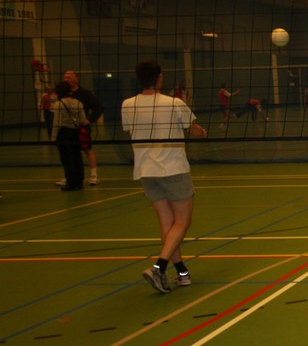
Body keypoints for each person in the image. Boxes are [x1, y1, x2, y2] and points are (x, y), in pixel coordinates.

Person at [120, 60, 207, 294]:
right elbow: (195, 131)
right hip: (172, 168)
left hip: (146, 170)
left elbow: (131, 129)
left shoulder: (127, 105)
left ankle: (182, 273)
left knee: (166, 223)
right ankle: (159, 267)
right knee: (182, 222)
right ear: (160, 77)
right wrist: (202, 131)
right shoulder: (174, 103)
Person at [63, 70, 104, 185]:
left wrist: (89, 120)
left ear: (76, 79)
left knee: (88, 150)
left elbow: (98, 108)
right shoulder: (63, 94)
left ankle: (94, 176)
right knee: (70, 153)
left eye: (69, 77)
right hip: (67, 129)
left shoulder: (85, 93)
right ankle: (69, 176)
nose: (67, 79)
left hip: (82, 128)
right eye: (65, 77)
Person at [51, 80, 88, 191]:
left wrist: (53, 137)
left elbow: (56, 122)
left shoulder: (58, 104)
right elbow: (83, 120)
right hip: (75, 133)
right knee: (77, 157)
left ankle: (71, 183)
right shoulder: (78, 103)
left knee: (67, 159)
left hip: (64, 133)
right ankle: (79, 182)